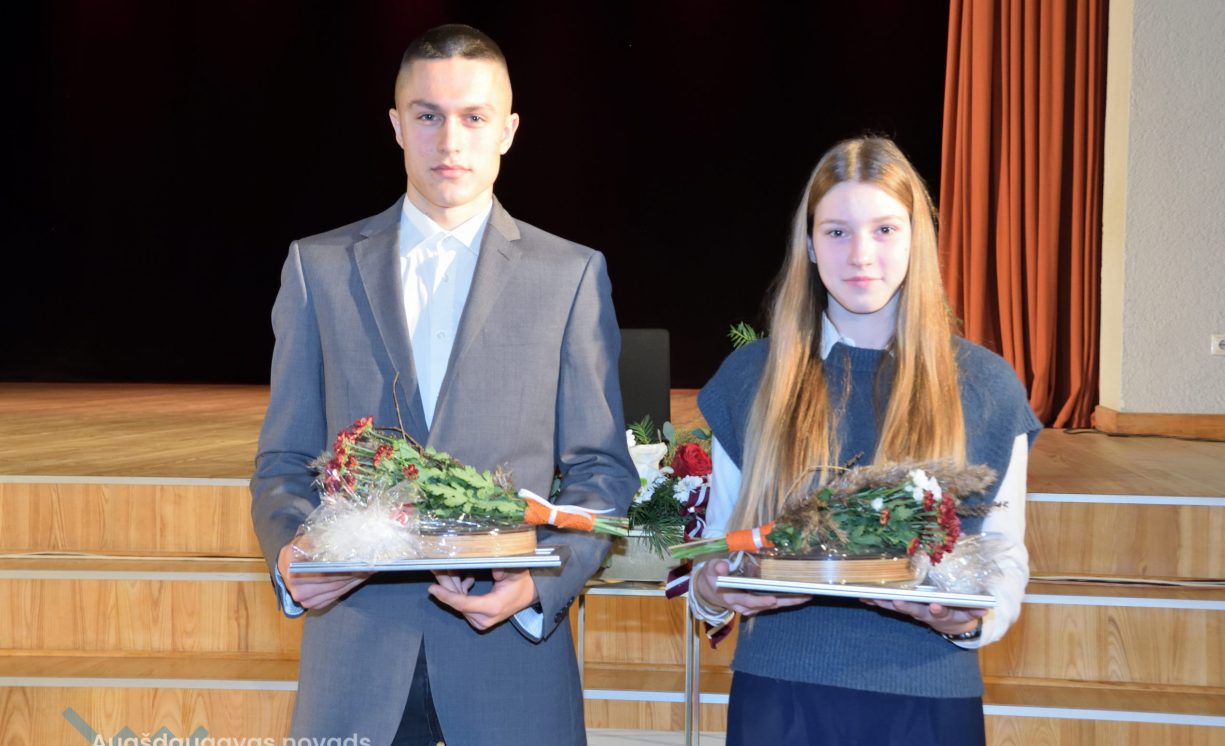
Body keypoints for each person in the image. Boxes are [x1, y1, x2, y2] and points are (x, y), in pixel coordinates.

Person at [250, 24, 638, 746]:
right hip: (356, 662)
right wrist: (293, 557)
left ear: (508, 131)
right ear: (397, 126)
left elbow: (601, 471)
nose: (450, 141)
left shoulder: (570, 275)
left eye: (473, 117)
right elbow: (284, 459)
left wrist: (541, 584)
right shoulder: (318, 269)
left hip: (511, 667)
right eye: (428, 115)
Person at [688, 137, 1041, 745]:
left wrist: (966, 621)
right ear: (808, 244)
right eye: (836, 232)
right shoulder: (751, 378)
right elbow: (717, 550)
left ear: (916, 239)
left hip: (928, 699)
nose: (861, 255)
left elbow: (1004, 556)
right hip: (779, 695)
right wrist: (711, 589)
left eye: (884, 229)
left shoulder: (985, 385)